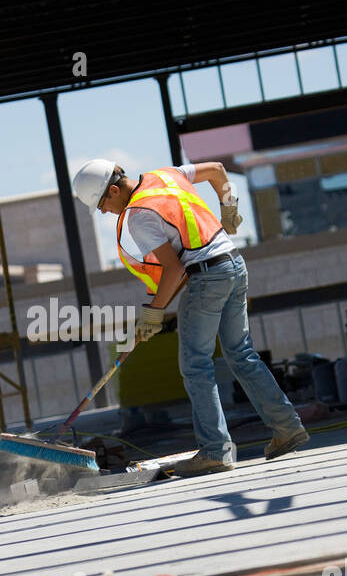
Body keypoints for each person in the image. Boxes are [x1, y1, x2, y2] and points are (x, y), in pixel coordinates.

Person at [72, 158, 308, 476]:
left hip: (207, 275)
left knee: (196, 364)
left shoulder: (139, 215)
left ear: (114, 190)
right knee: (241, 353)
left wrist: (152, 314)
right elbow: (216, 171)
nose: (103, 212)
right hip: (234, 265)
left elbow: (175, 269)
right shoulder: (165, 175)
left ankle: (215, 451)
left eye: (102, 204)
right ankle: (287, 426)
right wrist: (229, 206)